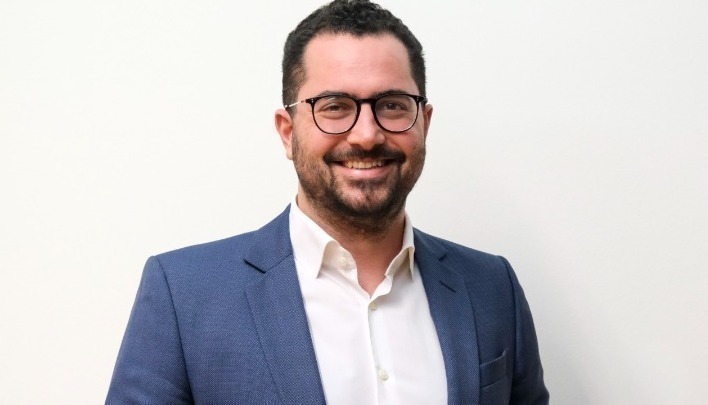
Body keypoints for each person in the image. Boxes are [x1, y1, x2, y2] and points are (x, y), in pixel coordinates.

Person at [106, 0, 549, 403]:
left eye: (393, 105)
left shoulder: (493, 287)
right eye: (335, 106)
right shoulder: (184, 294)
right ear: (288, 132)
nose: (367, 134)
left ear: (424, 123)